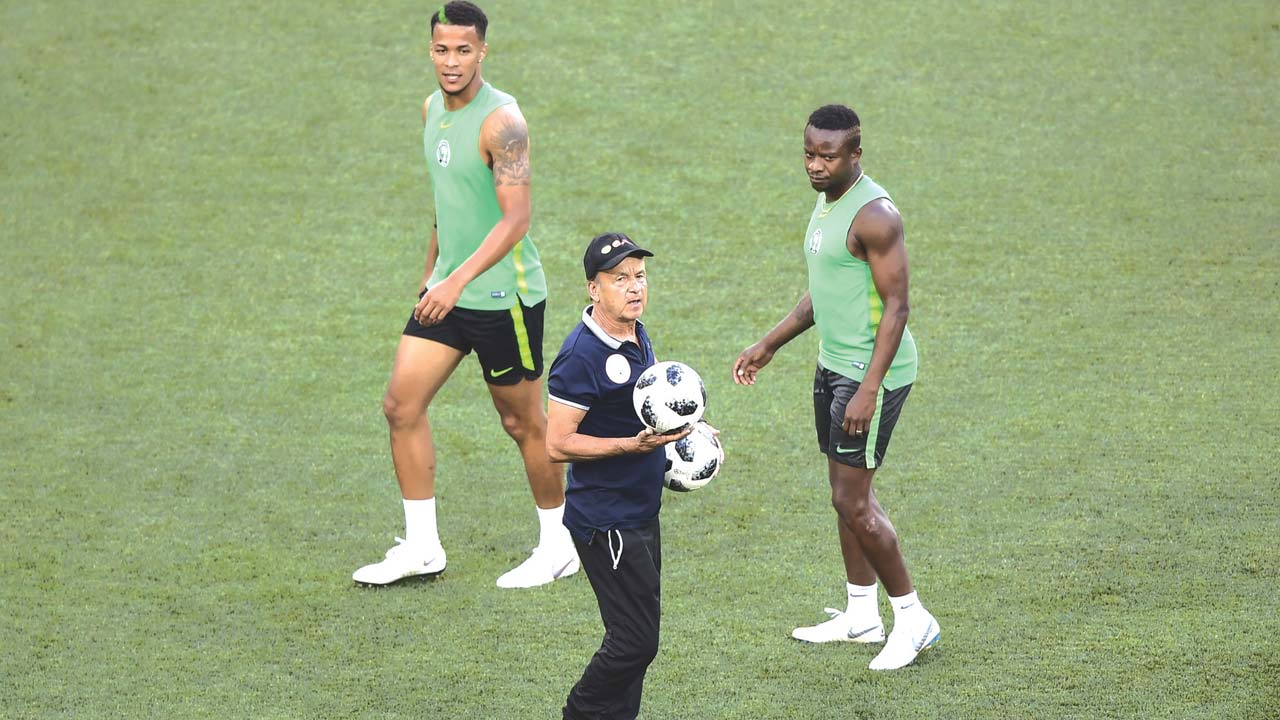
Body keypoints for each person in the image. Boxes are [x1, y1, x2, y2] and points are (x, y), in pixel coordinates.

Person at [353, 1, 577, 589]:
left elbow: (515, 219)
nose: (451, 62)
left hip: (505, 297)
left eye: (463, 50)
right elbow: (444, 202)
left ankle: (558, 545)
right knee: (401, 406)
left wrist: (456, 281)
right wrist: (433, 273)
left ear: (483, 51)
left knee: (523, 423)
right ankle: (423, 547)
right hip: (448, 294)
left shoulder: (503, 123)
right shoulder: (431, 109)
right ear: (430, 50)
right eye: (441, 49)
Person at [732, 104, 940, 670]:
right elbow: (823, 291)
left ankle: (913, 617)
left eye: (828, 156)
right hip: (833, 366)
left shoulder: (876, 216)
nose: (815, 166)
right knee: (843, 498)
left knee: (854, 500)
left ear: (855, 155)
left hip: (871, 374)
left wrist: (869, 388)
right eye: (808, 154)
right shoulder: (827, 205)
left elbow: (897, 307)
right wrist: (770, 343)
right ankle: (860, 614)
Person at [546, 233, 693, 720]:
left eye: (639, 277)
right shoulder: (580, 357)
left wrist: (687, 425)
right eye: (619, 279)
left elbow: (645, 403)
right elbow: (557, 443)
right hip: (607, 521)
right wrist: (630, 446)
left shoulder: (635, 332)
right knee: (635, 641)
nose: (634, 288)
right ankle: (579, 712)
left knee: (637, 637)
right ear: (594, 289)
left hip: (640, 511)